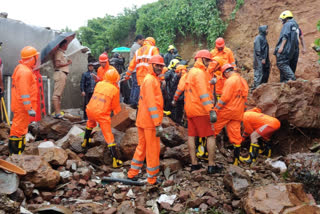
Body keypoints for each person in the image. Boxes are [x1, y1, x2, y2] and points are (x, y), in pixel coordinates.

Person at [127, 55, 165, 185]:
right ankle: (152, 178)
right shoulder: (150, 80)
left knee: (142, 147)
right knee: (152, 149)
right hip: (149, 122)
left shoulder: (150, 79)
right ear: (152, 65)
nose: (160, 68)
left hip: (143, 120)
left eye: (161, 66)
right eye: (157, 65)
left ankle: (132, 173)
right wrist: (157, 123)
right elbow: (151, 103)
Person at [184, 50, 219, 174]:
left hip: (190, 109)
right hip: (200, 110)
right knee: (210, 135)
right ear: (202, 59)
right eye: (208, 60)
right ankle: (211, 165)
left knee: (191, 136)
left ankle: (194, 164)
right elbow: (203, 94)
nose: (209, 62)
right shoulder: (200, 73)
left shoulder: (192, 72)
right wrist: (211, 110)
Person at [82, 68, 123, 168]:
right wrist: (119, 117)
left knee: (90, 123)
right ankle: (115, 160)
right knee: (108, 135)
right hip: (101, 114)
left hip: (90, 109)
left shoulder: (99, 84)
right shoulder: (114, 89)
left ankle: (85, 142)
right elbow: (115, 107)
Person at [213, 64, 249, 166]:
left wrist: (216, 109)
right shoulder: (243, 81)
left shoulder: (230, 81)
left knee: (212, 129)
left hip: (227, 111)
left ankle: (205, 153)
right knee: (236, 136)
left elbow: (225, 98)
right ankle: (236, 160)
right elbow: (245, 98)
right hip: (238, 112)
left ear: (226, 72)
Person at [9, 46, 39, 155]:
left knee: (21, 129)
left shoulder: (22, 68)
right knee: (18, 130)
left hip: (21, 107)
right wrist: (29, 108)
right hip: (22, 107)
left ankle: (19, 152)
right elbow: (24, 92)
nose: (37, 58)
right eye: (36, 57)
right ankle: (15, 154)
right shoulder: (24, 72)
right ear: (32, 58)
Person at [125, 37, 160, 106]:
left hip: (139, 76)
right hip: (149, 75)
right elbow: (158, 63)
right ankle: (148, 107)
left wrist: (127, 75)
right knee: (149, 93)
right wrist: (161, 78)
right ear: (153, 43)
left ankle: (139, 106)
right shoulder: (153, 49)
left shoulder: (138, 51)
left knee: (141, 92)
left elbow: (132, 64)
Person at [274, 10, 299, 82]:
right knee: (289, 66)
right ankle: (284, 84)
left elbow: (285, 36)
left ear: (286, 18)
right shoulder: (295, 24)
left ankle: (292, 78)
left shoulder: (287, 24)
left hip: (286, 49)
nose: (281, 21)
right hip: (293, 50)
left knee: (281, 64)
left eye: (282, 19)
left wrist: (281, 47)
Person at [52, 40, 72, 119]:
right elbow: (57, 64)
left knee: (59, 95)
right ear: (64, 45)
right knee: (56, 95)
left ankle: (58, 112)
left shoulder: (62, 53)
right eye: (67, 44)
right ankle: (57, 113)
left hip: (62, 74)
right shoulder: (59, 52)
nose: (67, 46)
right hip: (60, 73)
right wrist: (68, 63)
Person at [252, 25, 270, 90]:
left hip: (264, 61)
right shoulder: (258, 38)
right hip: (259, 61)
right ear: (263, 30)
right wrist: (262, 58)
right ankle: (255, 91)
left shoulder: (263, 38)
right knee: (259, 75)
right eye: (266, 29)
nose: (267, 31)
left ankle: (261, 90)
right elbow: (257, 50)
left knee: (265, 74)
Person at [129, 35, 145, 108]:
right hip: (136, 69)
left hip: (134, 69)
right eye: (142, 40)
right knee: (136, 86)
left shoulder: (134, 46)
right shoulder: (137, 47)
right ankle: (134, 102)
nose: (143, 42)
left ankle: (132, 100)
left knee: (134, 86)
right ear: (138, 40)